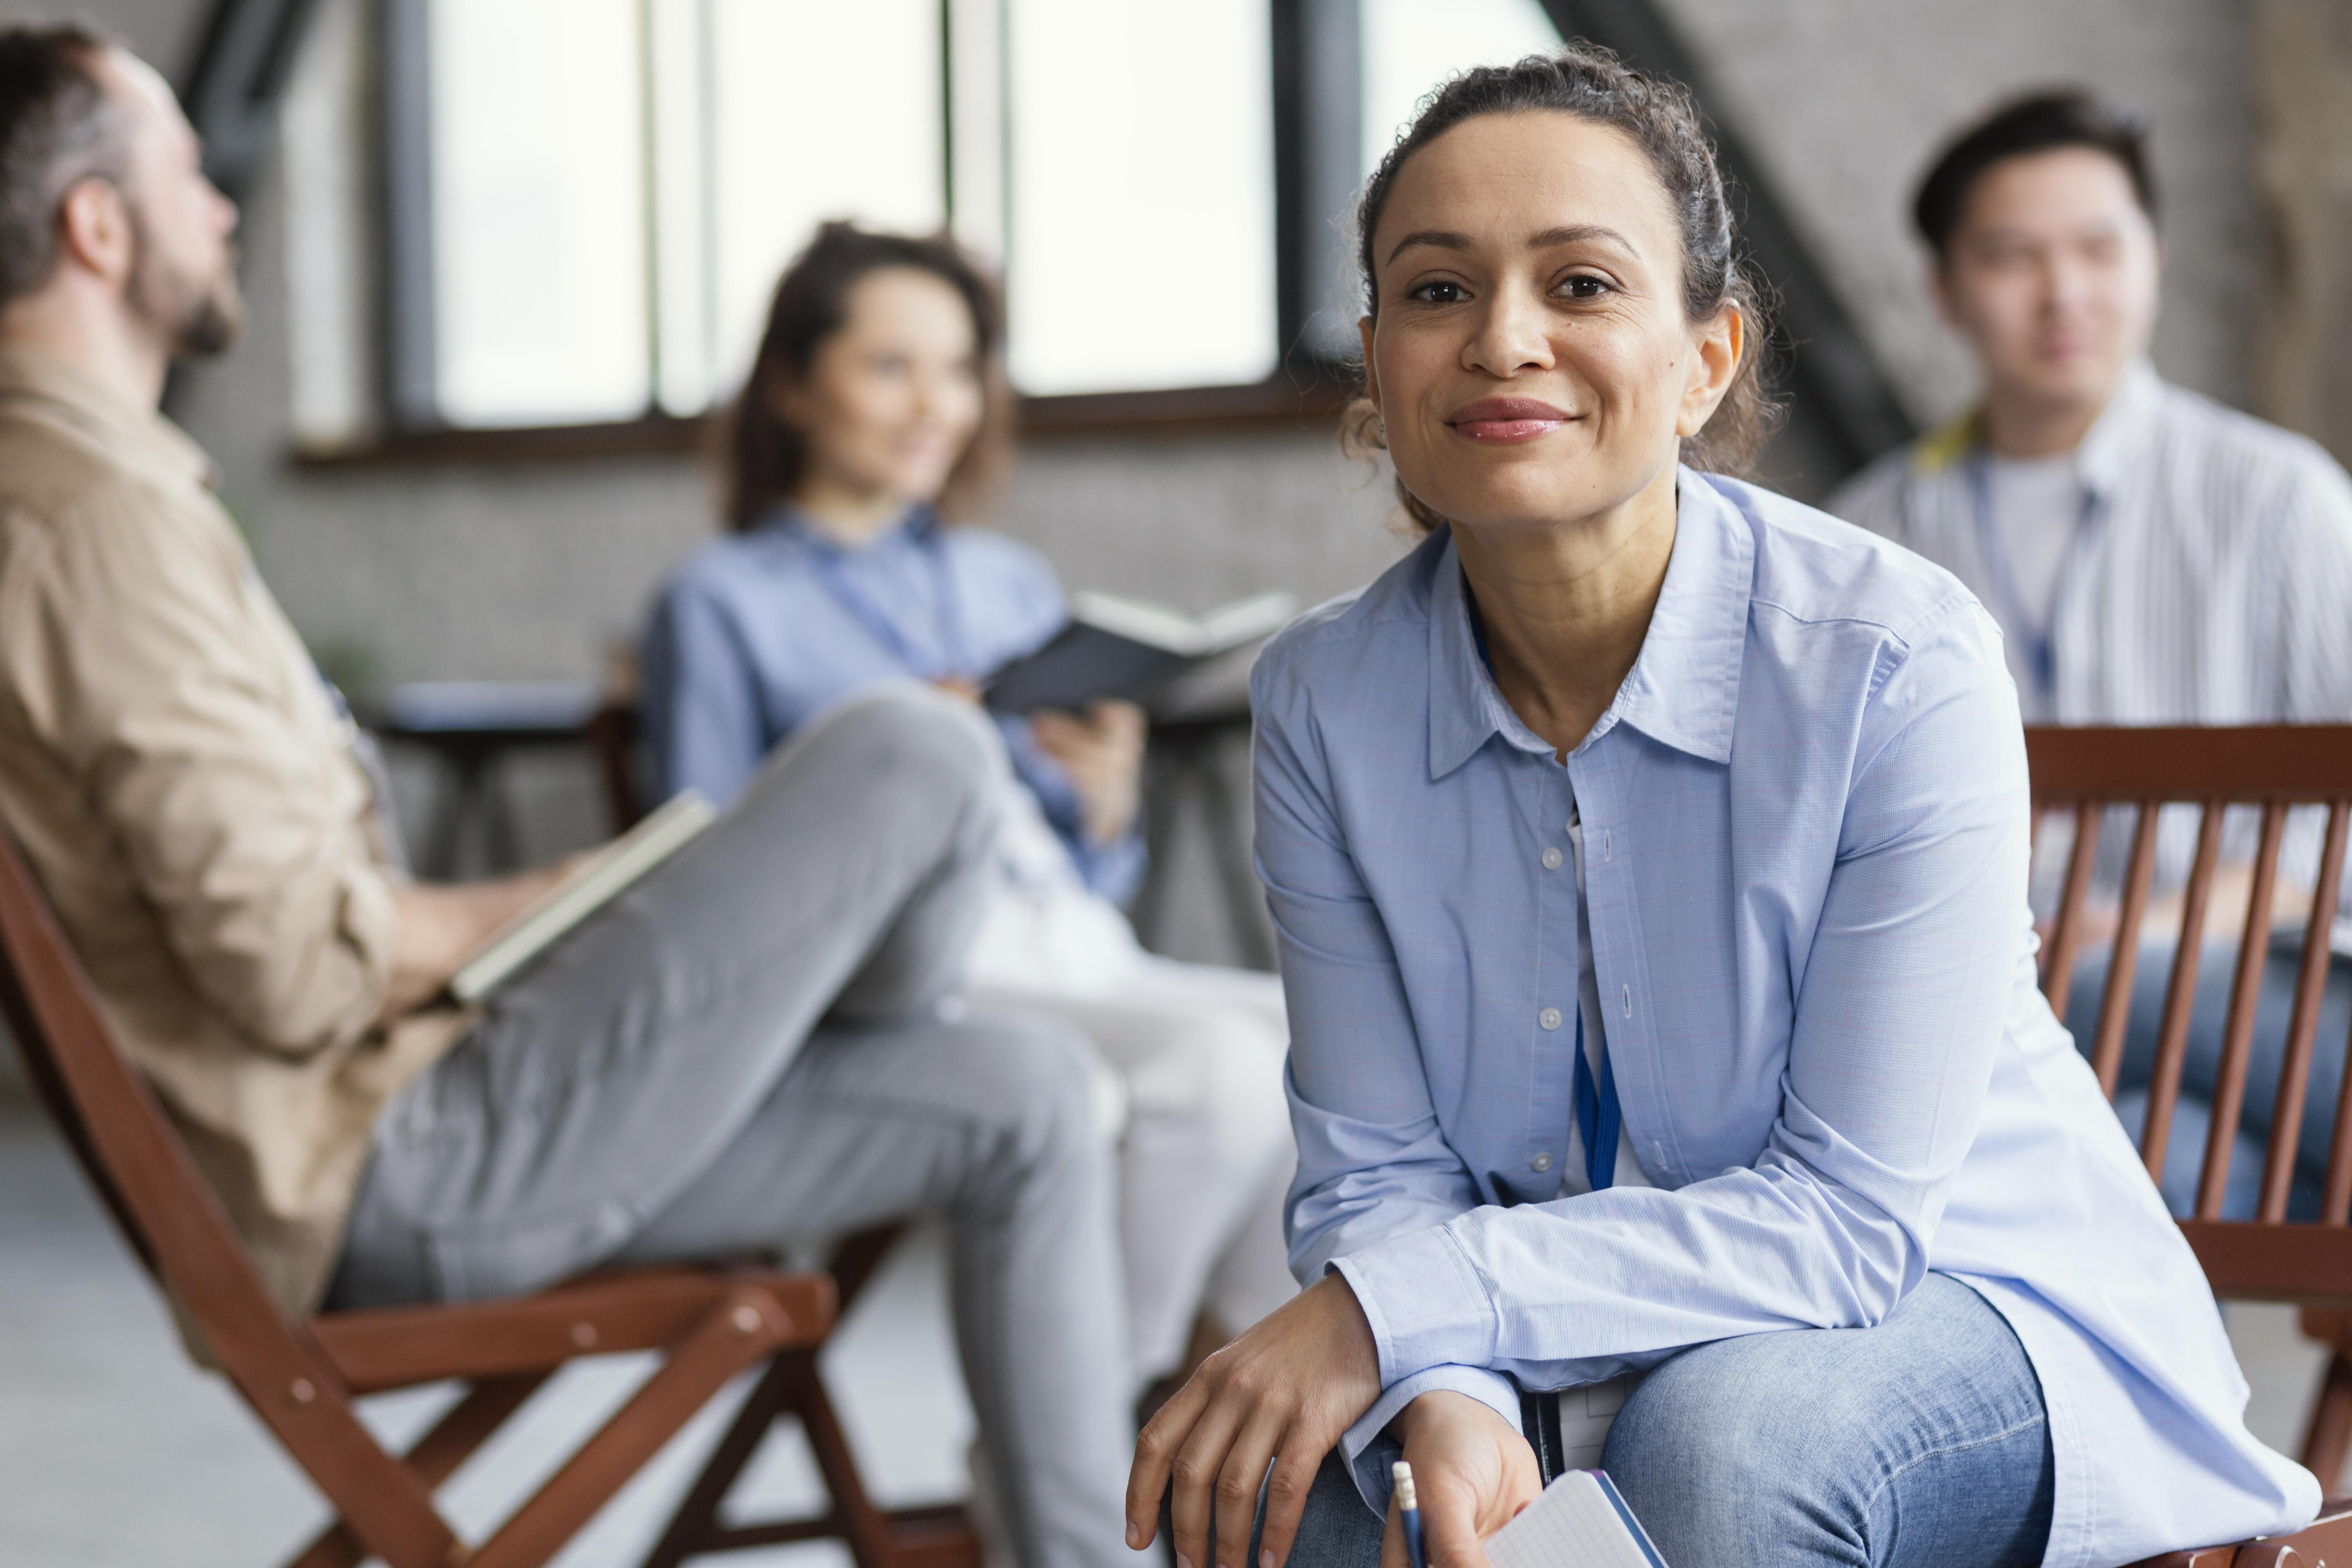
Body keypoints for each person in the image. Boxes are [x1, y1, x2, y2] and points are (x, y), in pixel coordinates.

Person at [1123, 47, 2316, 1568]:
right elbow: (1378, 1166)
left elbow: (1843, 1226)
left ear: (1704, 360)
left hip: (1969, 1301)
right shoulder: (1321, 703)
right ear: (1375, 360)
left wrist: (1397, 1308)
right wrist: (1440, 1381)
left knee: (1724, 1449)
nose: (1504, 340)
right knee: (1306, 1499)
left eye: (1582, 284)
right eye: (1436, 293)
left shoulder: (1895, 659)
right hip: (1574, 1315)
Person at [0, 28, 1134, 1567]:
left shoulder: (89, 499)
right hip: (391, 1162)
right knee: (915, 750)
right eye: (192, 174)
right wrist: (558, 894)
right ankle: (829, 997)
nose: (224, 206)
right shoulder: (96, 527)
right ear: (97, 226)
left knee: (1031, 1095)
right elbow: (288, 964)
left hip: (409, 1122)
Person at [639, 222, 1297, 1399]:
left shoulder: (1005, 582)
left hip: (1067, 944)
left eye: (957, 368)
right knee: (1214, 1073)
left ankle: (1257, 1405)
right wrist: (895, 756)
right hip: (905, 976)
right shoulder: (723, 600)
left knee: (1323, 1046)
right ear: (792, 386)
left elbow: (1082, 880)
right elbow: (704, 873)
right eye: (891, 367)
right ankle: (1095, 1426)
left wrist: (1105, 812)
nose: (935, 404)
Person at [1830, 92, 2352, 1218]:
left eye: (2099, 250)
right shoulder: (1868, 536)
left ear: (2154, 261)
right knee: (2121, 1179)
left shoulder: (2278, 500)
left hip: (2260, 990)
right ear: (1945, 291)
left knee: (2044, 1027)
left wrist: (2166, 921)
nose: (2065, 294)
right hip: (2061, 1038)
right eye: (2015, 257)